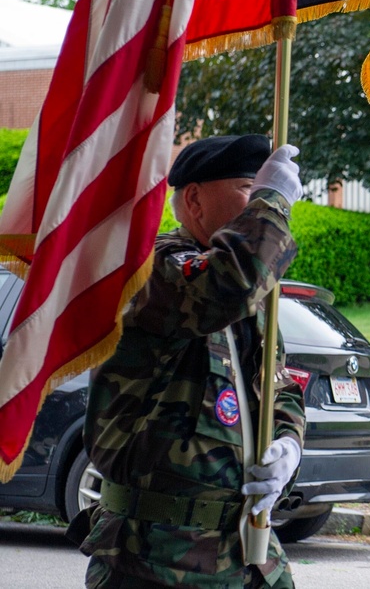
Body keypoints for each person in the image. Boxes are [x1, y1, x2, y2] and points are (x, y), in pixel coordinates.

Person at [77, 134, 306, 589]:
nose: (261, 197)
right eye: (248, 186)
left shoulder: (255, 298)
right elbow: (226, 286)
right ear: (195, 200)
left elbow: (280, 387)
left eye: (264, 187)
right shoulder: (149, 268)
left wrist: (288, 445)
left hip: (247, 553)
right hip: (155, 557)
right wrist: (273, 201)